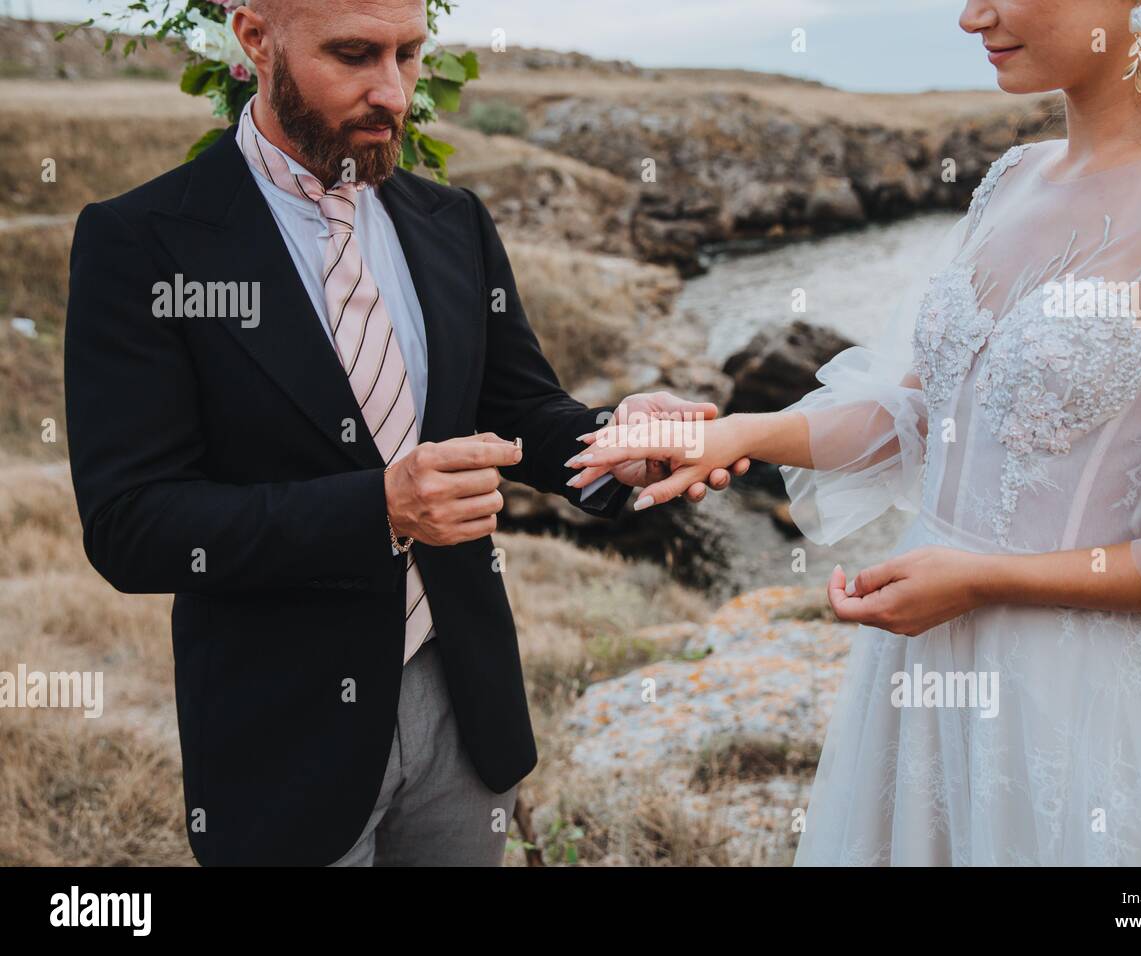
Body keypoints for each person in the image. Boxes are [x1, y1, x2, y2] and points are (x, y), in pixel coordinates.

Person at [568, 0, 1141, 864]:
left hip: (1094, 707)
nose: (970, 16)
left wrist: (988, 579)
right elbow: (917, 413)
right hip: (920, 680)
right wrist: (735, 434)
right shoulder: (1015, 177)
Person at [63, 0, 745, 866]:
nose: (392, 91)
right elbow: (132, 525)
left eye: (410, 55)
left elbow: (523, 413)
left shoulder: (451, 221)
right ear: (254, 36)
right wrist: (380, 509)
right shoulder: (140, 244)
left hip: (466, 710)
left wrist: (617, 439)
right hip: (282, 737)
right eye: (353, 54)